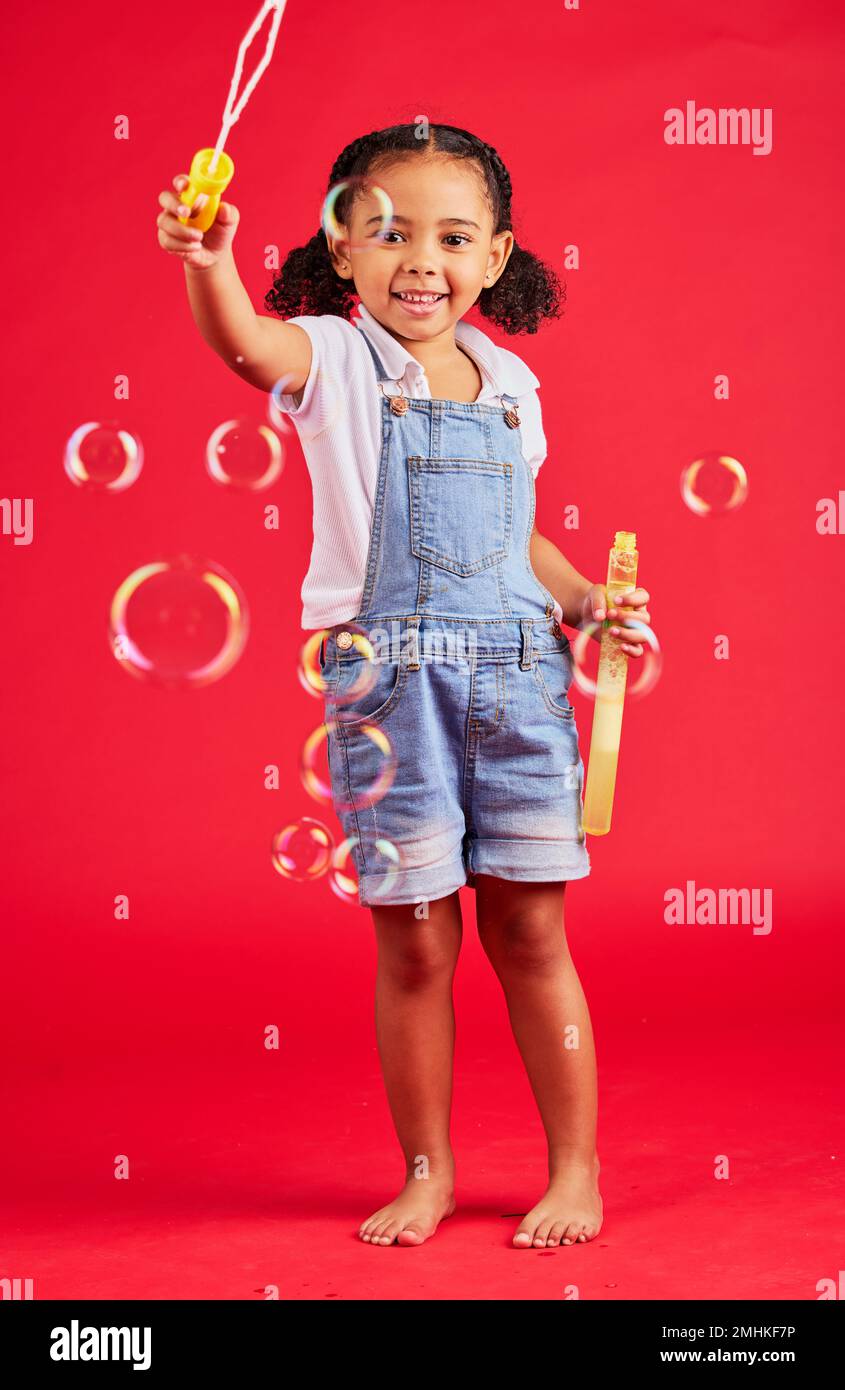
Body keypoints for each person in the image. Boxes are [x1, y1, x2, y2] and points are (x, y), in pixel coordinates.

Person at [157, 122, 653, 1250]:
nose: (418, 258)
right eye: (386, 232)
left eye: (450, 236)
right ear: (341, 249)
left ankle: (573, 1170)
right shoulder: (329, 359)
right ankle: (427, 1170)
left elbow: (517, 540)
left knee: (530, 933)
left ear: (495, 255)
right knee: (417, 943)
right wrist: (204, 260)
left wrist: (583, 602)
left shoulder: (515, 383)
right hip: (390, 688)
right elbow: (242, 343)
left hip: (520, 682)